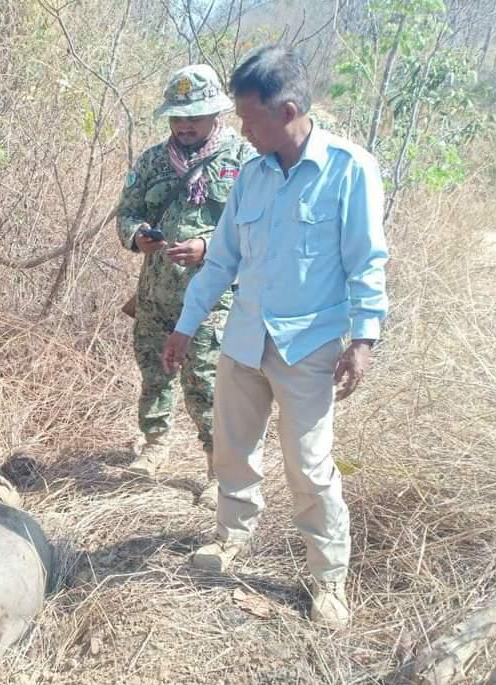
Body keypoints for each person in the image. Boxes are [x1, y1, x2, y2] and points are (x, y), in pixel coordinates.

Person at [160, 45, 388, 627]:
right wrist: (185, 326)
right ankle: (230, 539)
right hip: (243, 341)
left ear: (286, 110)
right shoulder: (253, 176)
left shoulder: (349, 169)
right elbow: (221, 262)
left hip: (306, 348)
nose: (241, 128)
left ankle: (327, 578)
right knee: (233, 451)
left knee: (309, 467)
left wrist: (363, 340)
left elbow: (367, 262)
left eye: (248, 116)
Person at [115, 65, 255, 484]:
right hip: (156, 296)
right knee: (154, 373)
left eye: (193, 116)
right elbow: (127, 211)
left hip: (214, 300)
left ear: (216, 114)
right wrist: (137, 235)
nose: (184, 125)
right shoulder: (155, 160)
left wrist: (209, 248)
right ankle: (154, 444)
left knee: (208, 382)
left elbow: (257, 227)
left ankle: (219, 470)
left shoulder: (244, 160)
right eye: (178, 117)